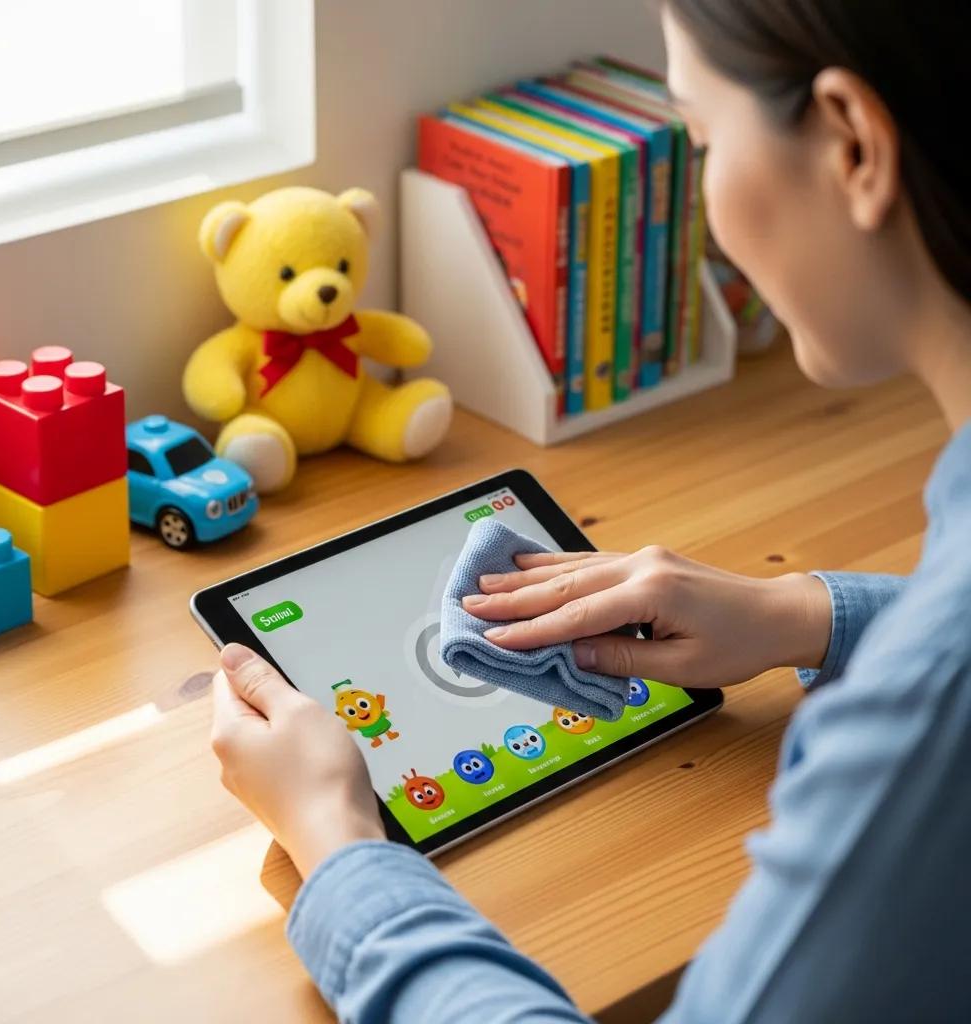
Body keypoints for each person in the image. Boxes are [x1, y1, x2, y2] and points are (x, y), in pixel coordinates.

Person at [209, 1, 971, 1019]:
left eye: (700, 137)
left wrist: (340, 848)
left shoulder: (930, 702)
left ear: (851, 146)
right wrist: (808, 614)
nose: (701, 207)